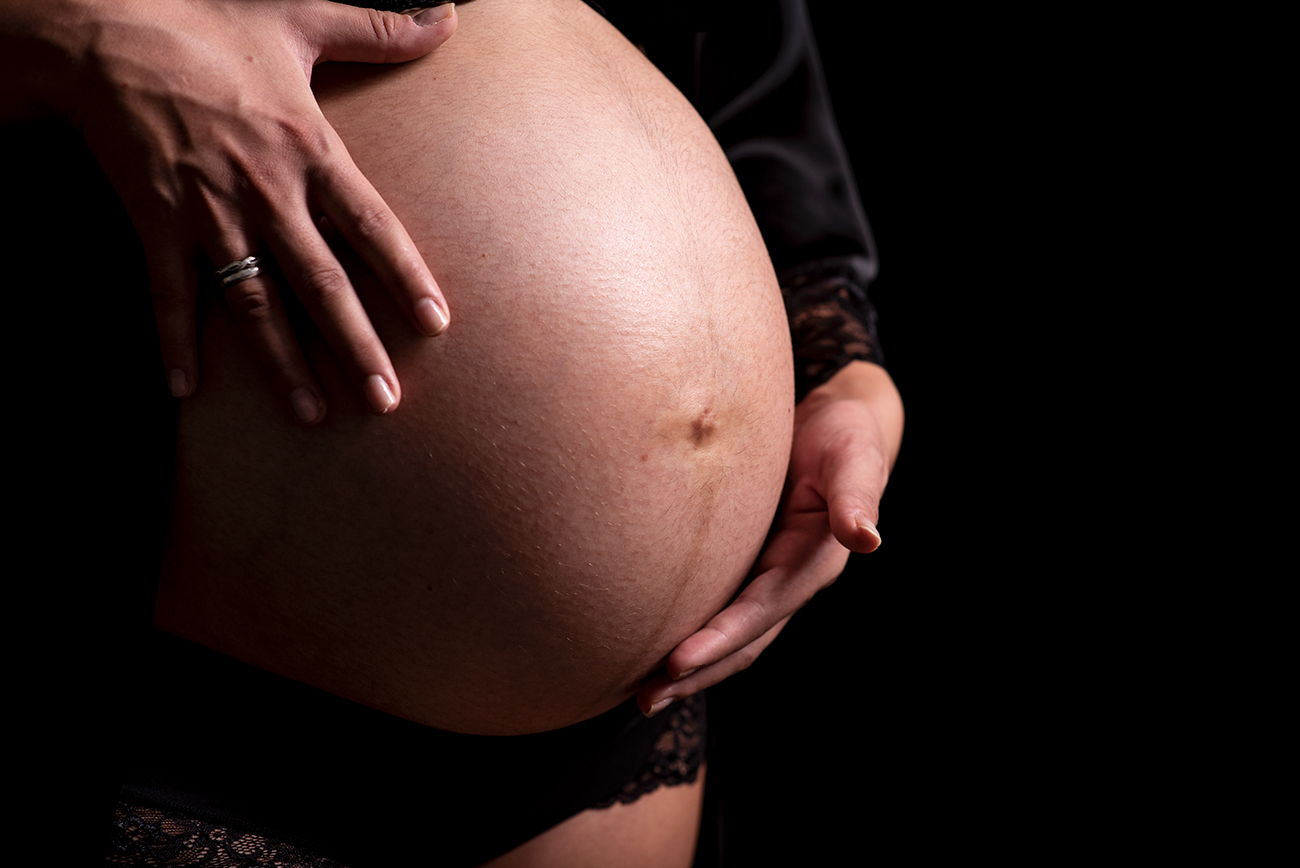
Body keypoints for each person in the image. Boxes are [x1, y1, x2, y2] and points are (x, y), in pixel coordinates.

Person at [2, 1, 901, 865]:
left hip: (628, 716)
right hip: (208, 688)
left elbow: (747, 60)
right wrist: (68, 32)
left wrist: (839, 358)